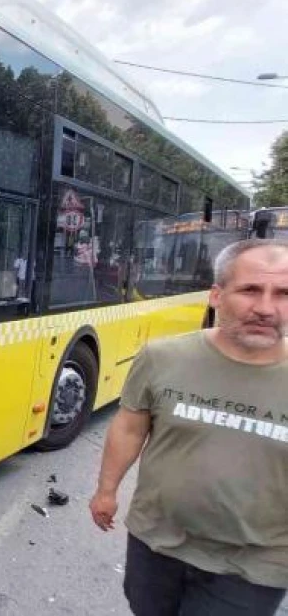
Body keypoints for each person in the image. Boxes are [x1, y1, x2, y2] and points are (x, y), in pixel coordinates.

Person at [89, 239, 288, 616]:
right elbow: (130, 428)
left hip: (254, 565)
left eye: (283, 293)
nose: (265, 308)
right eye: (249, 290)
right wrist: (106, 491)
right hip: (155, 542)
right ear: (216, 295)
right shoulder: (162, 357)